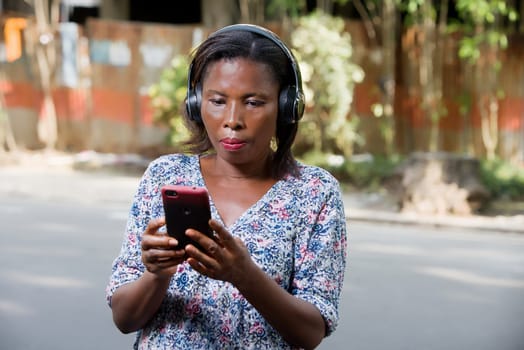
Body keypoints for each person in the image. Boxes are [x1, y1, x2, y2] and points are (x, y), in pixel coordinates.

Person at [106, 23, 348, 350]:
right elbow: (124, 319)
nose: (232, 119)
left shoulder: (315, 193)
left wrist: (245, 275)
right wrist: (158, 274)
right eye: (218, 100)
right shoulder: (164, 176)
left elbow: (310, 333)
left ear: (287, 106)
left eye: (253, 102)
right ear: (196, 103)